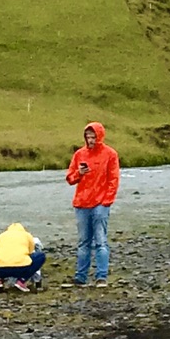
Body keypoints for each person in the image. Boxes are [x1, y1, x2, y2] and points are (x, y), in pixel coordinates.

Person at [65, 121, 120, 287]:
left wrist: (106, 201)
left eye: (93, 136)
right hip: (82, 203)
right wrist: (78, 173)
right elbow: (70, 178)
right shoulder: (79, 154)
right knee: (83, 242)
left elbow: (113, 179)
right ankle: (80, 276)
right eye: (88, 137)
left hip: (100, 204)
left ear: (99, 136)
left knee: (101, 241)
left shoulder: (110, 154)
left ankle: (101, 276)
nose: (90, 140)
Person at [0, 222, 46, 293]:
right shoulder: (27, 235)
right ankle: (21, 281)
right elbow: (31, 251)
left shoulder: (1, 236)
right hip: (20, 268)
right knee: (40, 256)